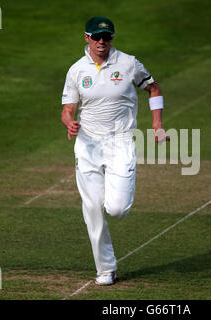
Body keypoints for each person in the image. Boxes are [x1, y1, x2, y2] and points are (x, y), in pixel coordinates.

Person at [61, 16, 167, 286]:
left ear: (112, 39)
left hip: (120, 142)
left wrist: (157, 124)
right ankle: (106, 269)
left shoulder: (129, 63)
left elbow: (153, 87)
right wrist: (69, 122)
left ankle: (117, 197)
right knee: (93, 208)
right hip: (87, 144)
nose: (101, 42)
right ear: (86, 37)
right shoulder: (76, 70)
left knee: (116, 209)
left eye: (106, 37)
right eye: (96, 37)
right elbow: (68, 108)